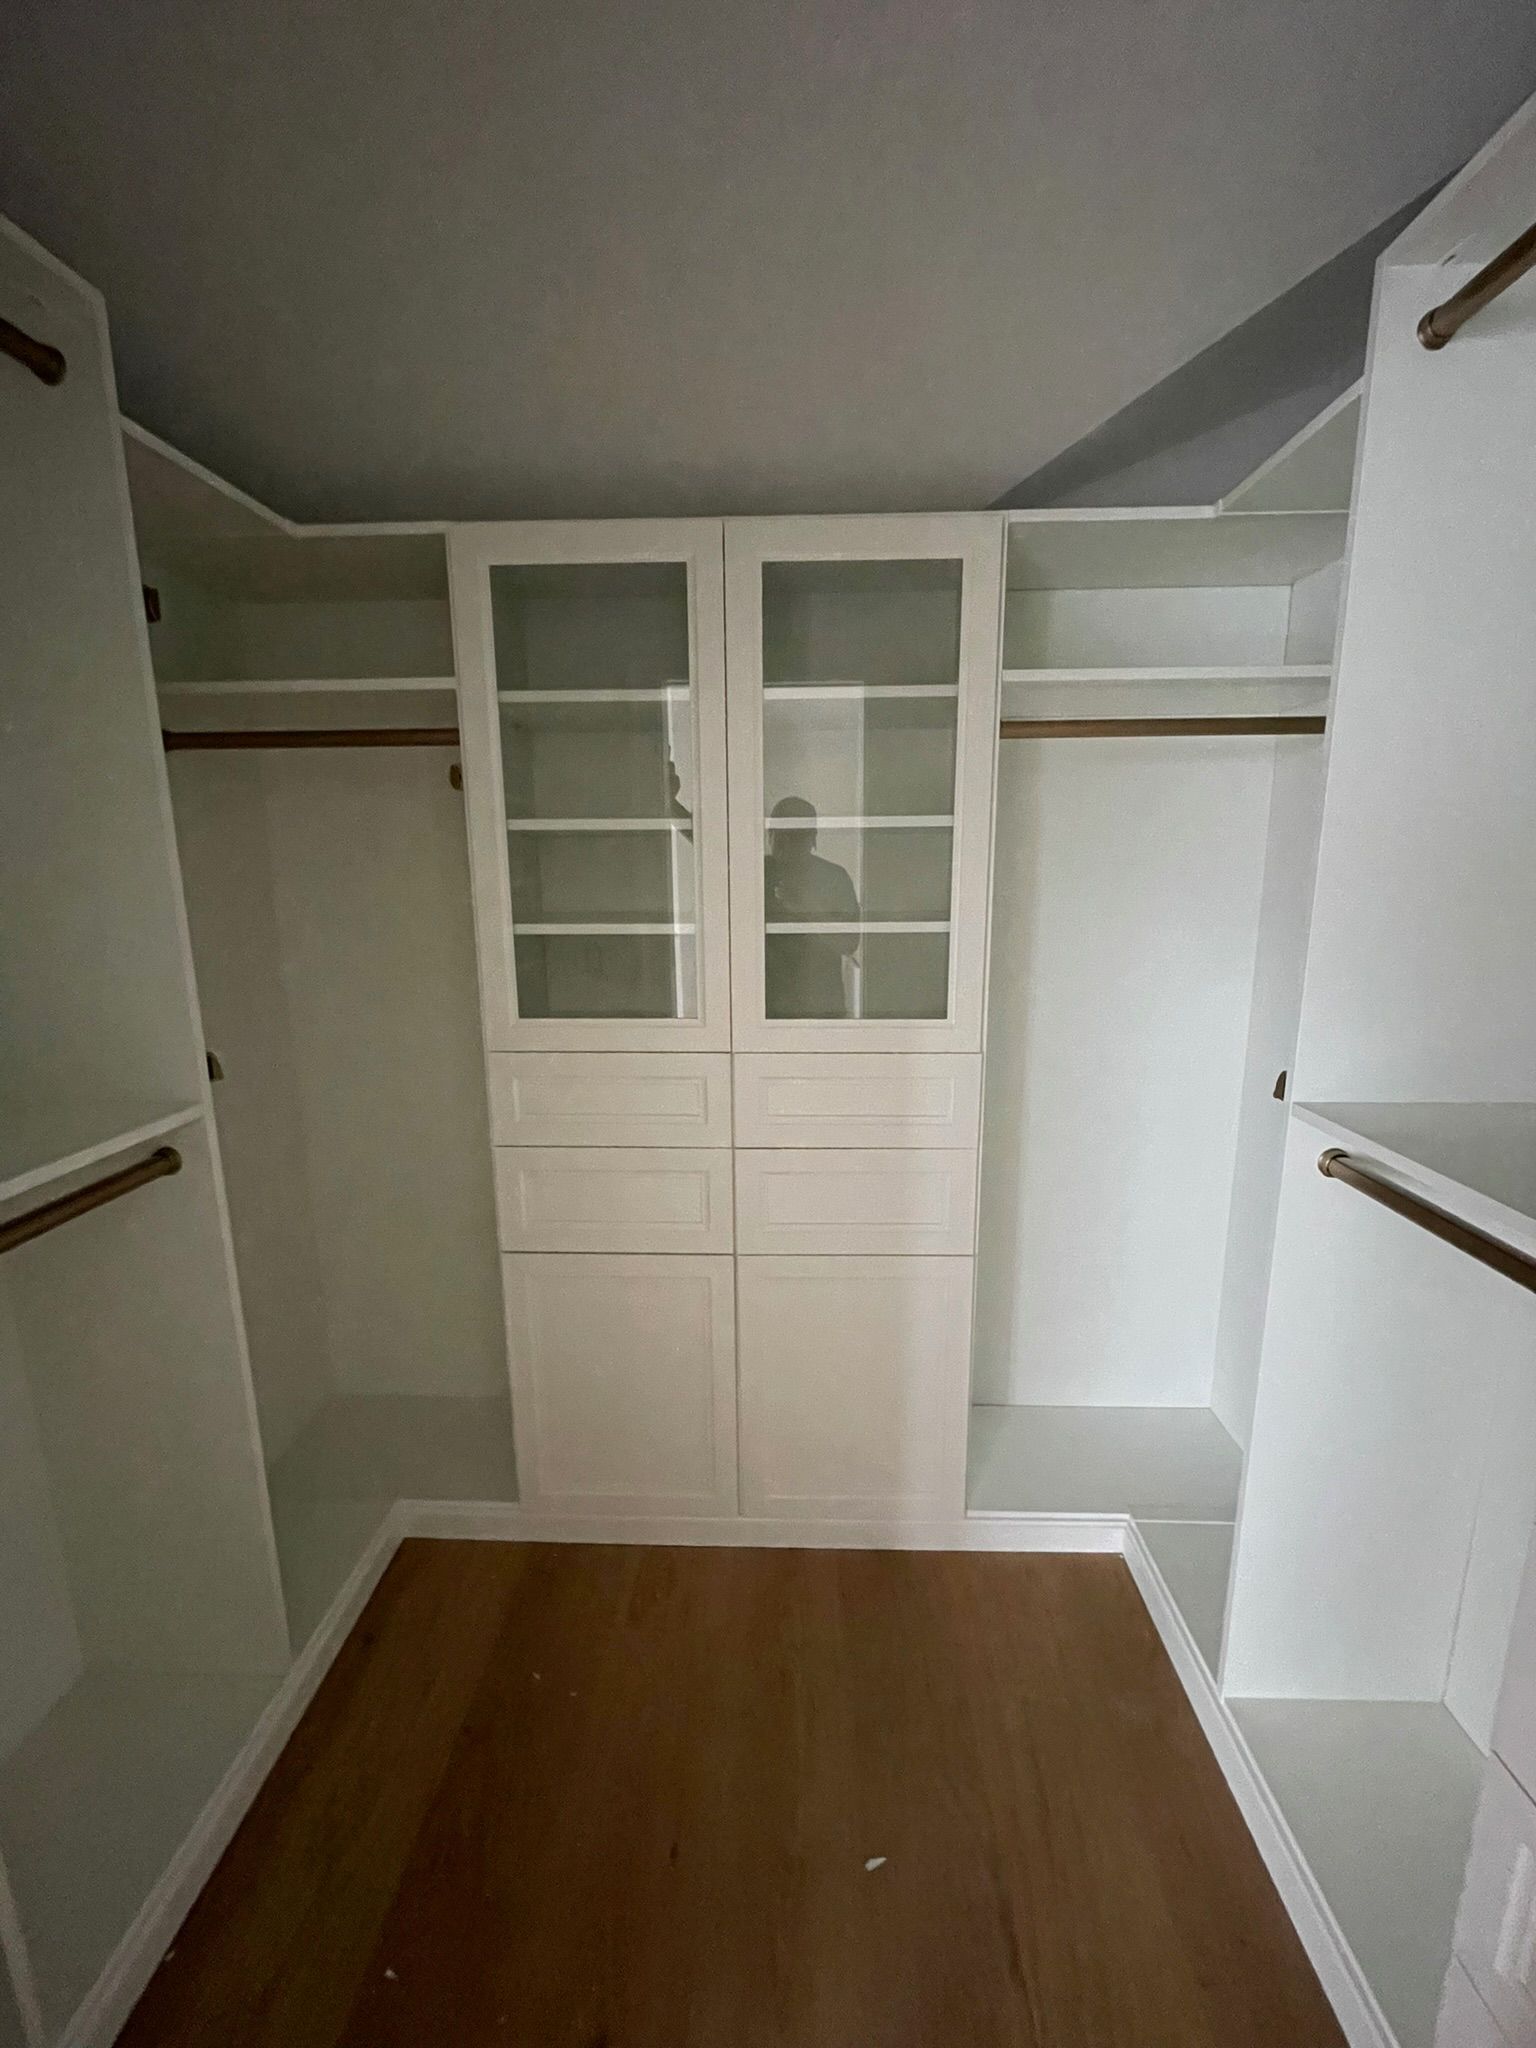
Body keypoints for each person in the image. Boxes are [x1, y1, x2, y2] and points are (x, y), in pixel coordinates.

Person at [763, 796, 861, 1018]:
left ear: (812, 838)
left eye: (795, 836)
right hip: (766, 1011)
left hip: (820, 1008)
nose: (787, 844)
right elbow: (716, 852)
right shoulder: (760, 871)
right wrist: (674, 810)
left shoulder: (833, 878)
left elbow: (849, 942)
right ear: (770, 835)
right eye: (780, 834)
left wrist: (806, 909)